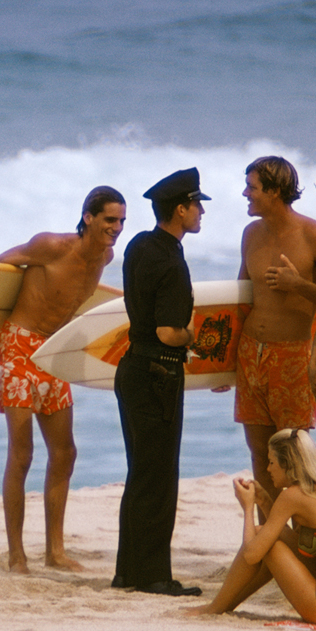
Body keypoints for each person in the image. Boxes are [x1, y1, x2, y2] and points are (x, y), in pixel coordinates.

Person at [0, 186, 127, 573]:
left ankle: (55, 552)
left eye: (121, 221)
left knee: (64, 453)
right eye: (110, 220)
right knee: (22, 454)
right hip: (18, 345)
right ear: (88, 217)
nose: (117, 228)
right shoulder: (50, 246)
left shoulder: (105, 257)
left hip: (52, 351)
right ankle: (17, 554)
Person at [112, 167, 208, 597]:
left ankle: (128, 572)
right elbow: (169, 332)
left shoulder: (139, 245)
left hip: (132, 367)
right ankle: (153, 575)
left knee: (140, 473)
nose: (201, 212)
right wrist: (194, 337)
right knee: (159, 477)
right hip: (160, 373)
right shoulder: (171, 261)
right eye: (197, 205)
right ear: (181, 209)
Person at [185, 429, 316, 625]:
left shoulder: (293, 495)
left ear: (288, 465)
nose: (268, 469)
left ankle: (215, 608)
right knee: (268, 539)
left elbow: (251, 555)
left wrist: (248, 507)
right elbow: (286, 540)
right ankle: (223, 606)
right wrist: (265, 502)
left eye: (272, 462)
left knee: (265, 542)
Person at [232, 156, 316, 510]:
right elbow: (242, 299)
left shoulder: (315, 236)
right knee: (260, 454)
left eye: (252, 188)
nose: (245, 193)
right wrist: (222, 361)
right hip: (250, 354)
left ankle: (304, 529)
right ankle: (270, 533)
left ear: (275, 191)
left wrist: (298, 285)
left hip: (292, 356)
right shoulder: (251, 234)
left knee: (292, 456)